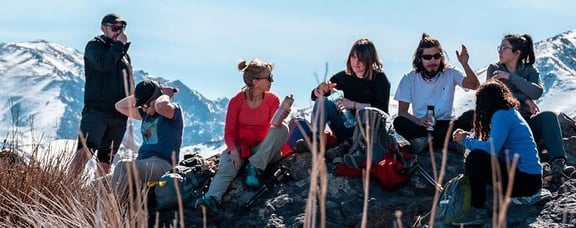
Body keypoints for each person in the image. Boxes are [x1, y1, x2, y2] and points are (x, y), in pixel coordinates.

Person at [196, 59, 290, 215]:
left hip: (264, 150)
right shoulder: (236, 101)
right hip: (242, 148)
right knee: (227, 166)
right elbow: (229, 132)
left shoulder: (273, 99)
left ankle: (254, 168)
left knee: (283, 128)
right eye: (268, 78)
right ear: (255, 82)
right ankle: (211, 199)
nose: (271, 81)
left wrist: (282, 116)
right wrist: (233, 150)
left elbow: (275, 127)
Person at [451, 82, 543, 226]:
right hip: (531, 180)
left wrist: (466, 141)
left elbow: (492, 149)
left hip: (525, 181)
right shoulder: (509, 113)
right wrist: (471, 137)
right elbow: (495, 143)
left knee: (476, 157)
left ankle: (478, 209)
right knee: (479, 155)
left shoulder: (501, 115)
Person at [486, 34, 569, 174]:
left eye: (504, 48)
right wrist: (525, 99)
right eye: (499, 47)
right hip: (504, 127)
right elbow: (494, 95)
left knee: (549, 117)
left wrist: (510, 77)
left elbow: (536, 92)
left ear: (517, 53)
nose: (499, 51)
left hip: (526, 124)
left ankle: (558, 162)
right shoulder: (494, 68)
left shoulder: (529, 70)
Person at [69, 13, 134, 178]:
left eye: (122, 28)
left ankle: (96, 199)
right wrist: (119, 46)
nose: (119, 32)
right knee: (84, 152)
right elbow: (102, 65)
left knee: (106, 161)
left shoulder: (125, 56)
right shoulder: (94, 46)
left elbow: (129, 83)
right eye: (115, 28)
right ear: (103, 28)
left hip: (119, 117)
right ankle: (66, 190)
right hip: (97, 111)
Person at [393, 33, 479, 152]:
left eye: (436, 56)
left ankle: (429, 142)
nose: (433, 60)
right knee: (399, 122)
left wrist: (465, 64)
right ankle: (446, 142)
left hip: (446, 124)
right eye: (427, 57)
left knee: (472, 115)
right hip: (422, 126)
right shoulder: (409, 78)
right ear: (420, 58)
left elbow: (474, 85)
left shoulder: (450, 72)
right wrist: (418, 121)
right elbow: (402, 112)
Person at [305, 38, 390, 148]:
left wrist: (352, 104)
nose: (356, 62)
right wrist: (319, 90)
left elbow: (382, 111)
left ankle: (347, 147)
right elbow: (315, 96)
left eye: (361, 58)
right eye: (353, 57)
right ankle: (315, 140)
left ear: (370, 59)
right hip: (345, 126)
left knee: (369, 115)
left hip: (367, 133)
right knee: (322, 101)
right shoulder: (344, 77)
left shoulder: (380, 79)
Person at [111, 79, 182, 199]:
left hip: (163, 165)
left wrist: (165, 94)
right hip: (143, 163)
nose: (144, 109)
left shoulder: (173, 111)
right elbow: (119, 106)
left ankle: (111, 214)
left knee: (123, 166)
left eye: (145, 105)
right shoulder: (146, 114)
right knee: (98, 183)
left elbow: (161, 106)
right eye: (141, 106)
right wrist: (141, 96)